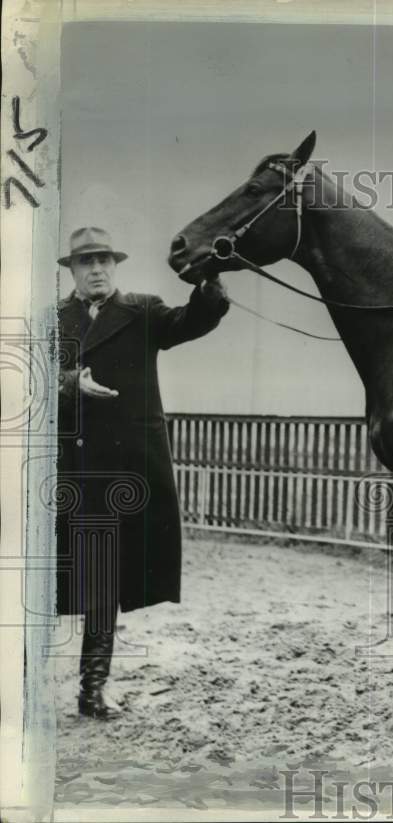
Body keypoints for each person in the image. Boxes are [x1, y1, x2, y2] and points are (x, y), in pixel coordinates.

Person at [55, 226, 229, 719]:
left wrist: (209, 282)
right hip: (67, 469)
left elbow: (192, 321)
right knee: (48, 576)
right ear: (72, 270)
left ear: (115, 265)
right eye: (87, 262)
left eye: (105, 260)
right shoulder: (53, 320)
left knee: (105, 577)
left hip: (125, 471)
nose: (97, 269)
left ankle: (92, 688)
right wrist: (70, 383)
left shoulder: (143, 311)